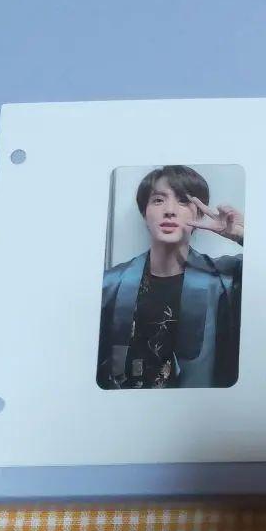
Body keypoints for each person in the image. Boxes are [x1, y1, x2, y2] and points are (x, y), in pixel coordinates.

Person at [97, 165, 243, 389]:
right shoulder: (110, 284)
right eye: (158, 200)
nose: (170, 210)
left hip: (200, 407)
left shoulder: (224, 279)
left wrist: (242, 235)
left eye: (183, 201)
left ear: (199, 213)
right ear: (144, 213)